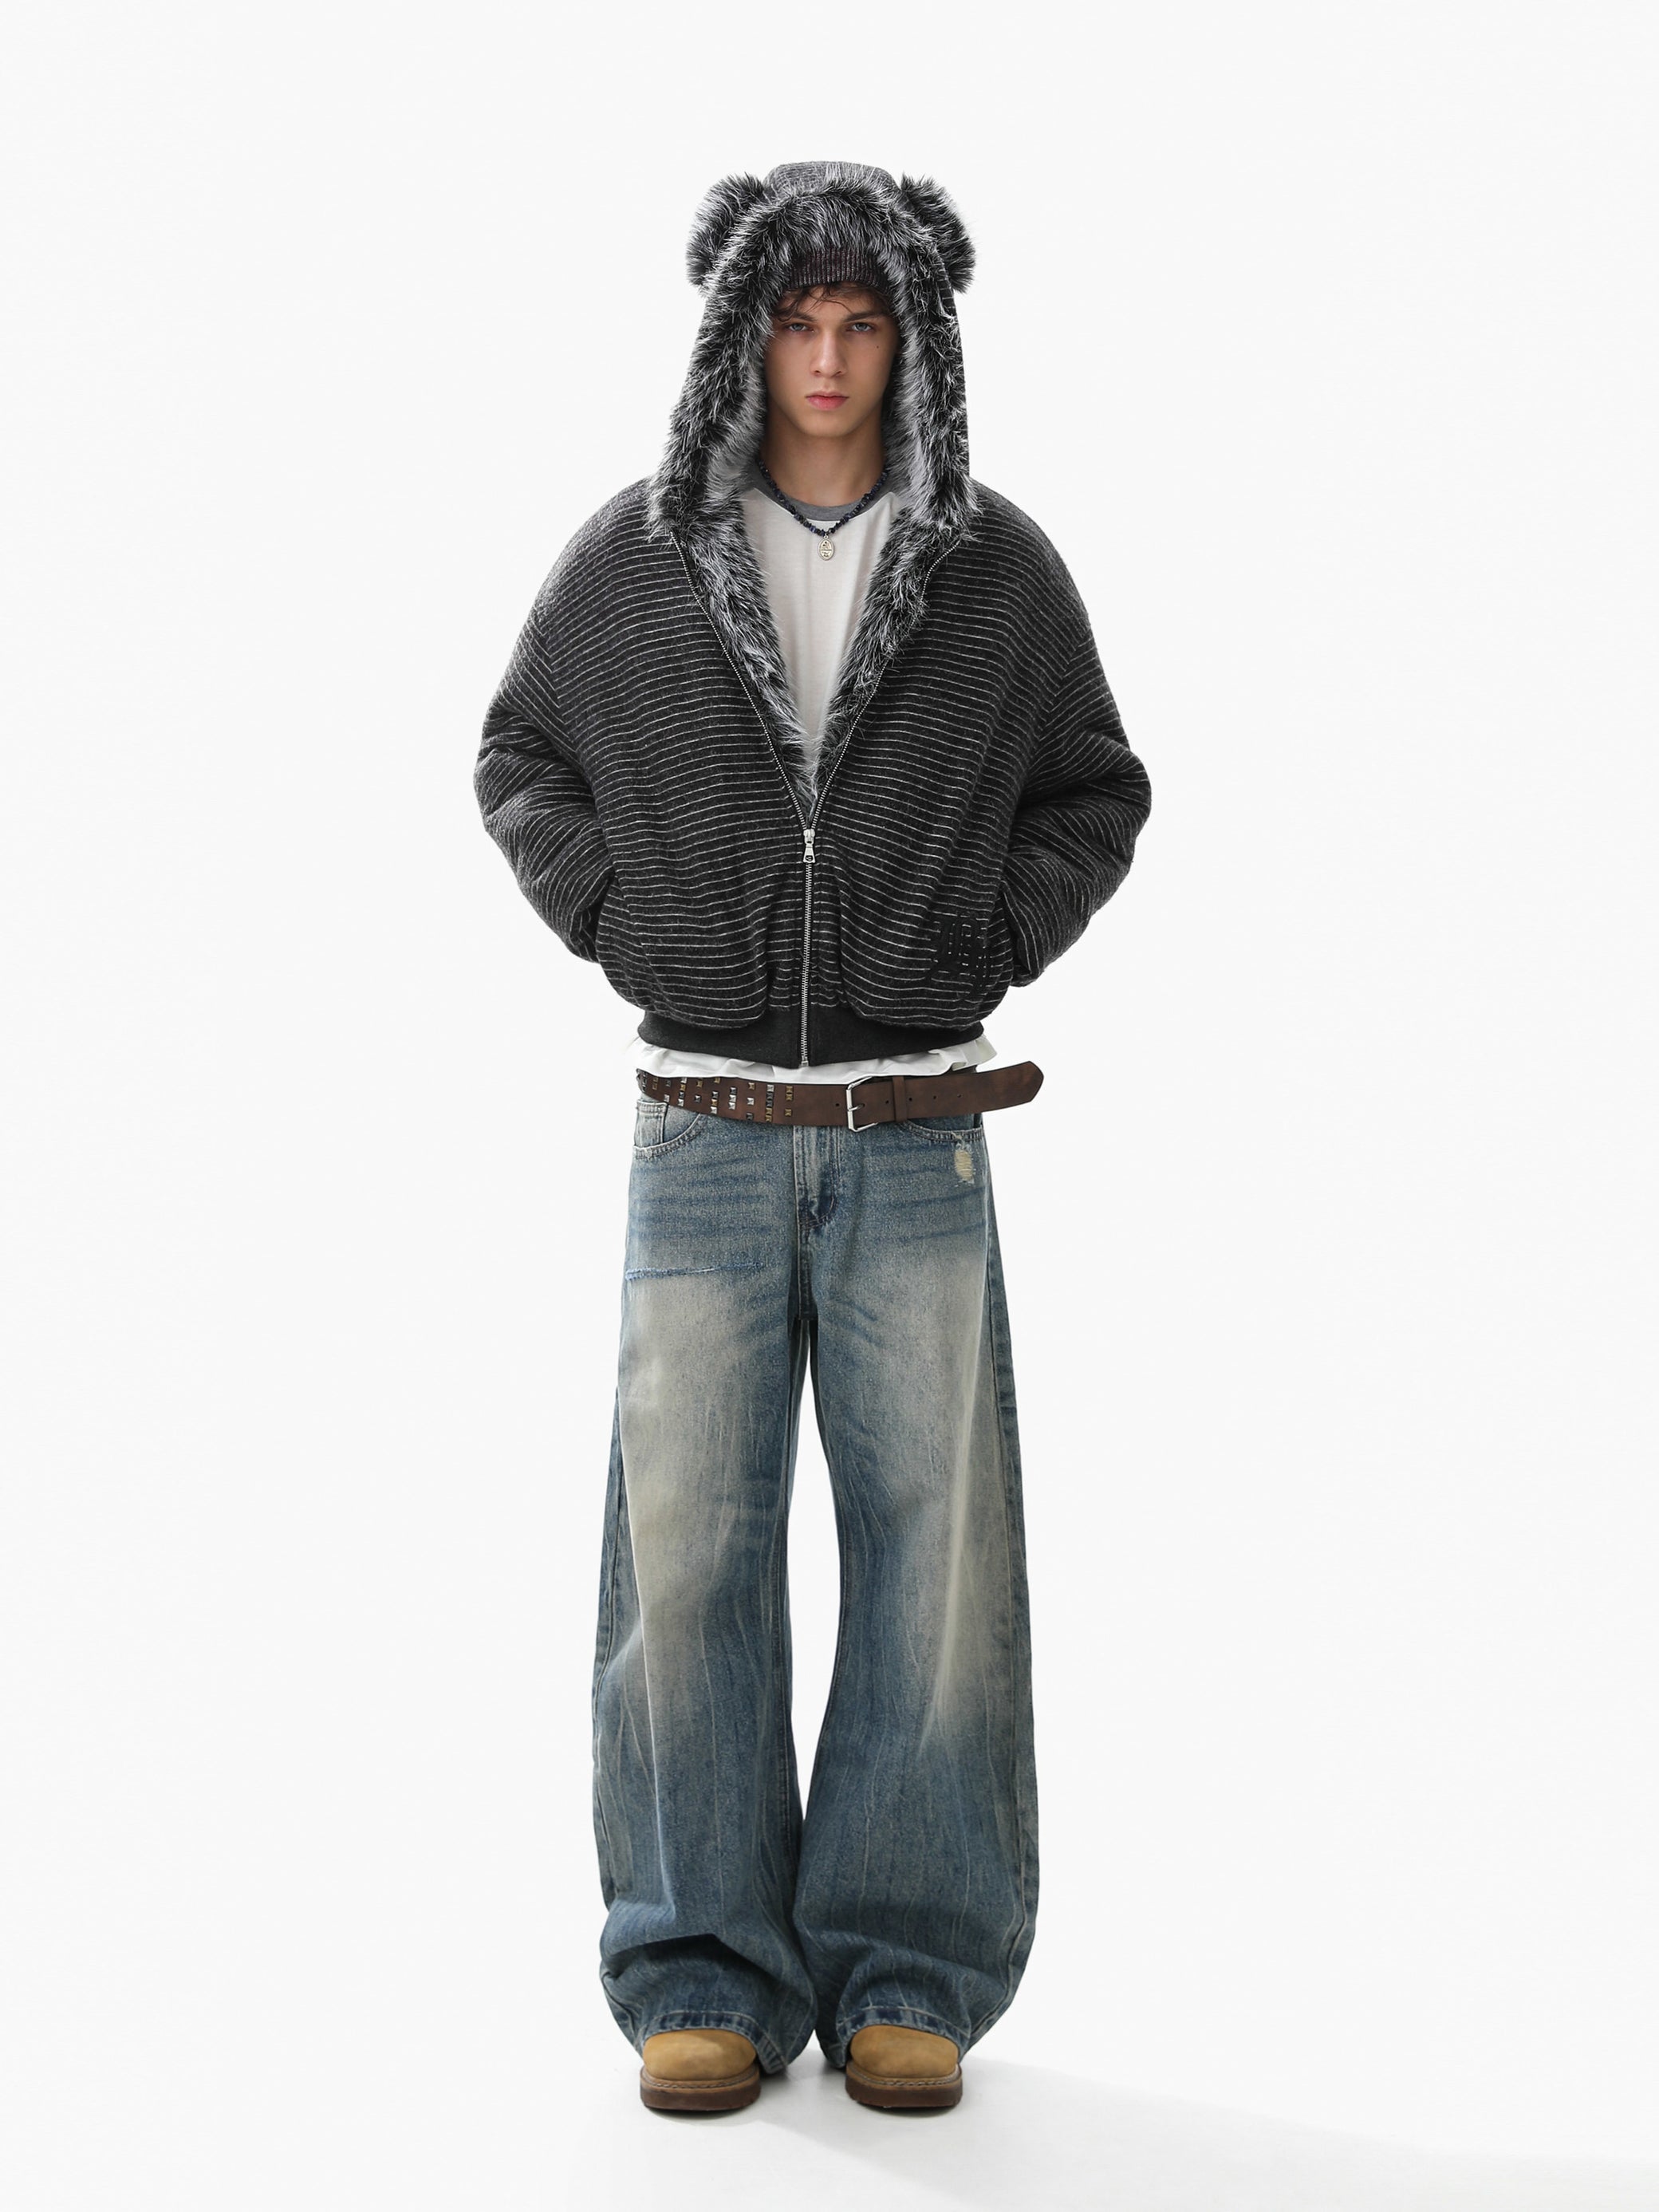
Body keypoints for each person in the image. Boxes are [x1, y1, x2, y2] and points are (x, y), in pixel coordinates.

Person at [474, 159, 1152, 2115]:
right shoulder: (632, 563)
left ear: (911, 337)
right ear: (741, 336)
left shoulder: (996, 572)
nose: (830, 358)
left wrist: (978, 941)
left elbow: (1094, 788)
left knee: (935, 1561)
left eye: (863, 323)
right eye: (797, 322)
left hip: (917, 1133)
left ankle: (907, 1968)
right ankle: (697, 1963)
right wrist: (629, 925)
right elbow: (519, 753)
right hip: (697, 1132)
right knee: (682, 1554)